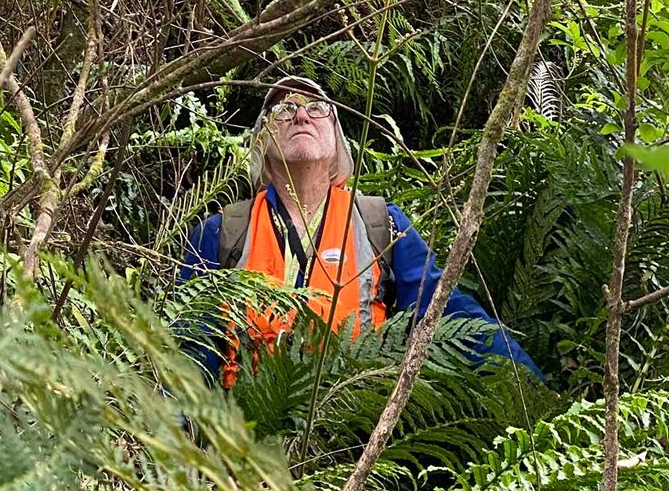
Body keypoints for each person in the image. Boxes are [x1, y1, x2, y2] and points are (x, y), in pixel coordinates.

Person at [179, 76, 542, 387]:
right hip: (246, 443)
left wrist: (528, 386)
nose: (301, 114)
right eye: (283, 109)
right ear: (261, 142)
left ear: (337, 140)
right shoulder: (221, 234)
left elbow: (450, 317)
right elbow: (189, 354)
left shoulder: (382, 224)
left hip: (355, 436)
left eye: (317, 107)